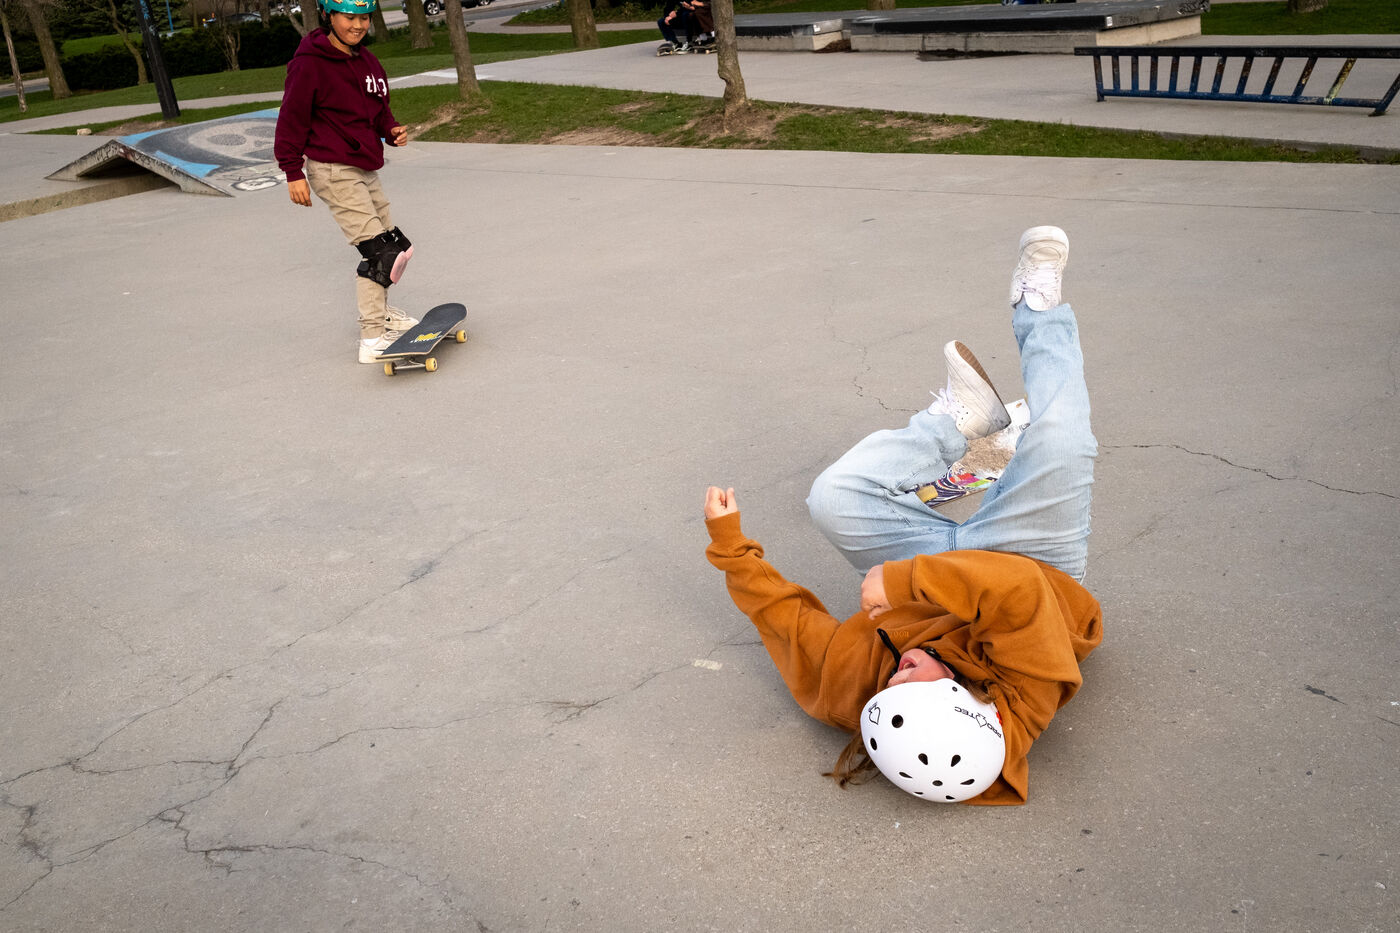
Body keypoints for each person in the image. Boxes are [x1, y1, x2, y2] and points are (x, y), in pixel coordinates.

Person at [703, 226, 1103, 805]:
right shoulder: (1023, 693)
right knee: (1062, 440)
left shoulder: (859, 697)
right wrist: (903, 580)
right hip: (1035, 567)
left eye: (888, 689)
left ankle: (959, 423)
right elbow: (1016, 590)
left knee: (833, 497)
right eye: (910, 682)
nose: (895, 675)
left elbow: (784, 621)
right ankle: (1037, 309)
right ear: (964, 699)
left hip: (934, 577)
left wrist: (730, 546)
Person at [274, 0, 418, 365]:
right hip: (332, 168)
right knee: (379, 253)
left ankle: (383, 315)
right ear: (329, 16)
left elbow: (379, 111)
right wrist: (292, 171)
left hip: (364, 165)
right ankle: (372, 338)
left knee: (396, 248)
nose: (358, 25)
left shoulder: (367, 61)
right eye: (349, 17)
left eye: (364, 18)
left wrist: (391, 130)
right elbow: (291, 118)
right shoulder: (309, 64)